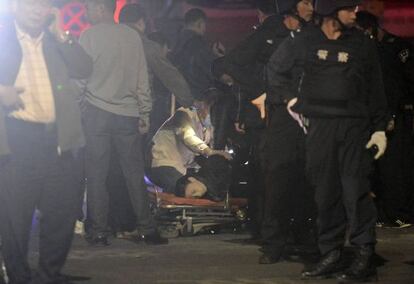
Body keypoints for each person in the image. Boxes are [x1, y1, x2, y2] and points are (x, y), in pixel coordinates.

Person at [270, 0, 388, 281]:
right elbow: (275, 70)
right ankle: (331, 252)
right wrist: (291, 100)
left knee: (355, 188)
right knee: (325, 191)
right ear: (331, 12)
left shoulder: (361, 42)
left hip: (353, 125)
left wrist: (380, 128)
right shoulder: (304, 39)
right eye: (348, 8)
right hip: (320, 125)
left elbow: (376, 87)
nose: (354, 13)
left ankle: (363, 253)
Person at [0, 0, 92, 283]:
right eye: (30, 3)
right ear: (15, 6)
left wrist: (62, 34)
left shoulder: (55, 41)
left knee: (61, 214)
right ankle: (18, 276)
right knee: (15, 219)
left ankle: (48, 275)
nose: (36, 9)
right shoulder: (3, 37)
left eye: (43, 4)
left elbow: (84, 67)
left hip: (57, 140)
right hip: (17, 139)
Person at [79, 0, 167, 246]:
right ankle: (147, 228)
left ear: (99, 8)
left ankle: (98, 231)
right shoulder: (131, 36)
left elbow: (81, 77)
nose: (85, 13)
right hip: (128, 114)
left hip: (96, 112)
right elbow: (142, 77)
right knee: (133, 173)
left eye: (88, 8)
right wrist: (145, 112)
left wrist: (78, 105)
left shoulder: (88, 36)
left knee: (96, 175)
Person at [254, 0, 316, 264]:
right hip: (285, 117)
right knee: (279, 180)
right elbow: (273, 72)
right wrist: (289, 99)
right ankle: (274, 244)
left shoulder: (316, 37)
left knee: (309, 182)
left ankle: (307, 239)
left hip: (313, 119)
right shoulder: (290, 40)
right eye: (304, 3)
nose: (310, 7)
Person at [356, 11, 414, 228]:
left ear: (371, 28)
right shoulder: (369, 50)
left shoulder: (396, 47)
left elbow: (399, 85)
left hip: (397, 114)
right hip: (375, 116)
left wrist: (395, 111)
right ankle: (383, 212)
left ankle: (400, 213)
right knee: (379, 167)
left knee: (397, 166)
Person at [118, 4, 194, 136]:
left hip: (104, 110)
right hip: (137, 111)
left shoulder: (107, 42)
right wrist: (189, 101)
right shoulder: (145, 45)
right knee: (137, 152)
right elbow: (170, 75)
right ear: (141, 22)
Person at [148, 97, 232, 200]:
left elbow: (216, 147)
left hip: (180, 168)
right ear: (202, 105)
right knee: (187, 193)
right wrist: (208, 151)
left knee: (196, 191)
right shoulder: (184, 113)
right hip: (162, 163)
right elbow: (187, 136)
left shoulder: (208, 128)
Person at [170, 8, 224, 102]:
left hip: (180, 99)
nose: (205, 29)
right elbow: (214, 71)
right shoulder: (198, 44)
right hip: (199, 99)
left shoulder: (175, 44)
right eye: (204, 25)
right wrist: (220, 57)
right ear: (200, 23)